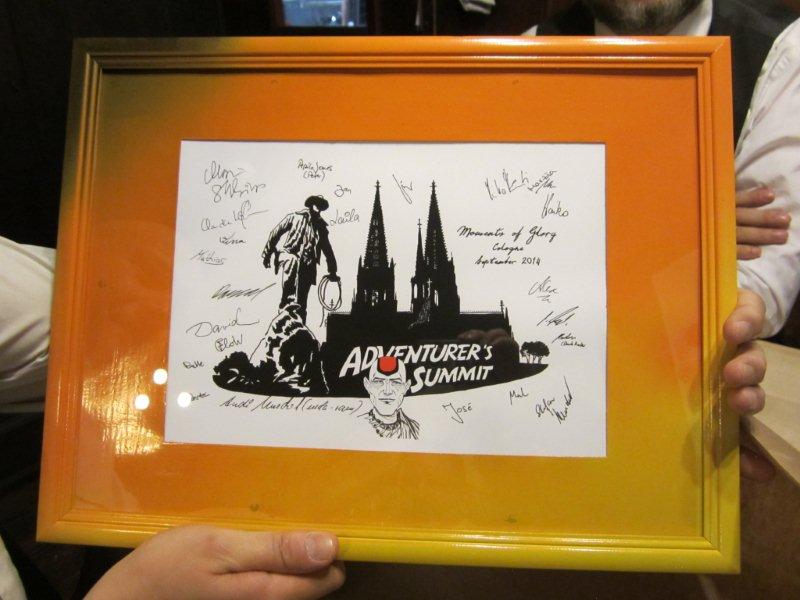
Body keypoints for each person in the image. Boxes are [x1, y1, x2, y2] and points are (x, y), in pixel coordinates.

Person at [529, 0, 800, 339]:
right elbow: (511, 256)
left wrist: (580, 231)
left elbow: (758, 280)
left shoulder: (783, 50)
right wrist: (684, 230)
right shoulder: (525, 52)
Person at [262, 195, 339, 324]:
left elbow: (327, 248)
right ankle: (285, 322)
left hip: (308, 265)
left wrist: (332, 270)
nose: (319, 208)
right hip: (291, 260)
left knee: (302, 302)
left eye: (321, 206)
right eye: (317, 204)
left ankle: (300, 326)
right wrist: (267, 254)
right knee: (289, 296)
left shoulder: (321, 227)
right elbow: (275, 233)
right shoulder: (295, 217)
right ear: (311, 204)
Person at [361, 356, 420, 439]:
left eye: (396, 382)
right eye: (378, 381)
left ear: (406, 386)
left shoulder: (415, 429)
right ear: (367, 385)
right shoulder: (357, 424)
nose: (387, 391)